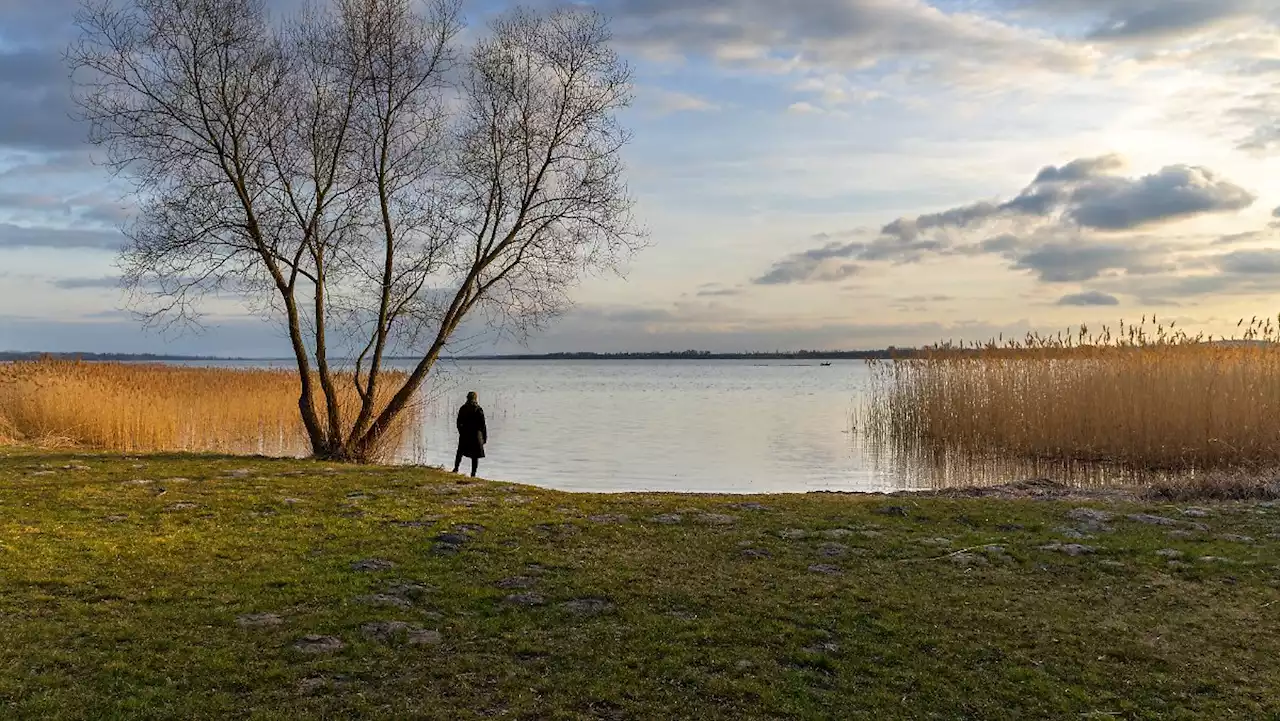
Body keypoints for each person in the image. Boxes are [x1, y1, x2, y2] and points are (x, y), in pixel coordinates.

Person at [452, 391, 487, 477]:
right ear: (475, 398)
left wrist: (461, 432)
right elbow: (483, 425)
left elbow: (458, 422)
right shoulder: (478, 409)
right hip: (476, 435)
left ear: (467, 398)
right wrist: (484, 437)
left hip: (465, 433)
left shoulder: (463, 408)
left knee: (460, 452)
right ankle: (473, 474)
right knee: (475, 456)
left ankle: (456, 469)